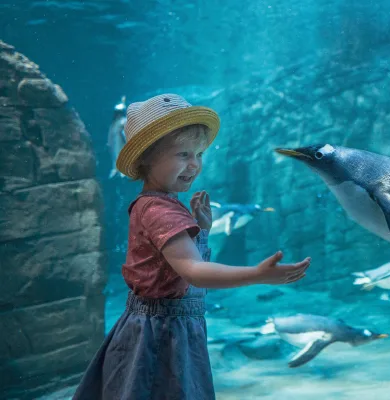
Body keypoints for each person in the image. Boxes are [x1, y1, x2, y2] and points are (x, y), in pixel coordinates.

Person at [72, 93, 311, 400]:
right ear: (147, 156)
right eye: (183, 154)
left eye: (199, 154)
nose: (195, 164)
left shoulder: (159, 204)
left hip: (163, 328)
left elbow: (178, 271)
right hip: (159, 336)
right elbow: (194, 271)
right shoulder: (160, 210)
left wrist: (202, 232)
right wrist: (256, 274)